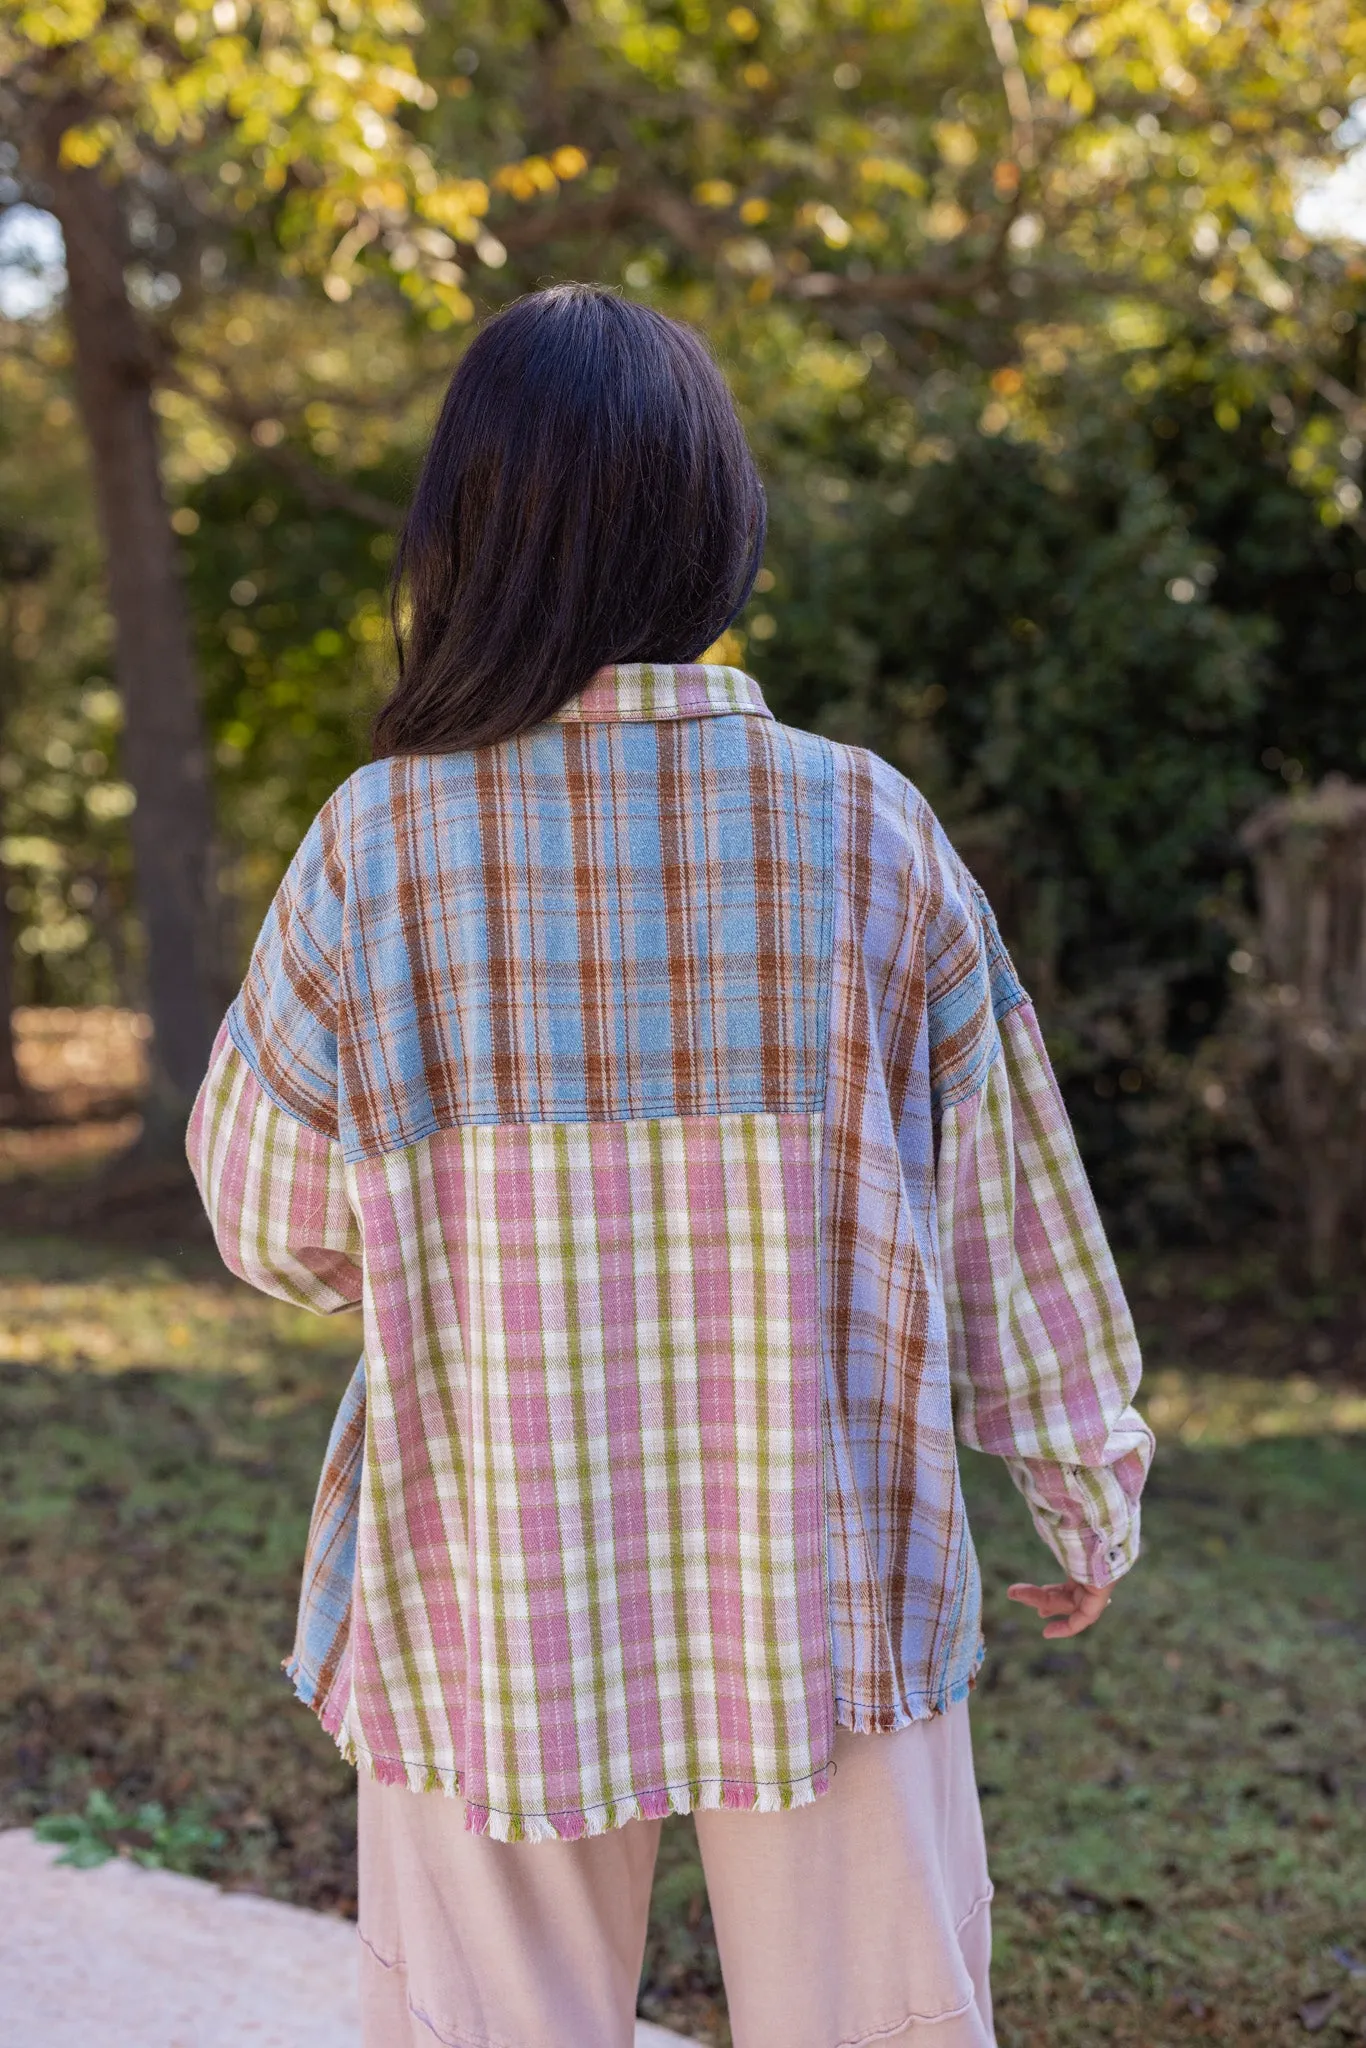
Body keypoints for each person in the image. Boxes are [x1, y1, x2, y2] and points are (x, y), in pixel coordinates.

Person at [188, 283, 1154, 2048]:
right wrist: (1081, 1470)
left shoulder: (374, 846)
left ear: (460, 535)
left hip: (486, 1564)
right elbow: (1008, 1191)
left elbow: (263, 1210)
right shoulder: (866, 827)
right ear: (718, 528)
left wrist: (444, 1246)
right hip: (828, 1565)